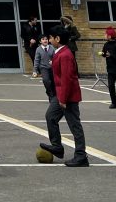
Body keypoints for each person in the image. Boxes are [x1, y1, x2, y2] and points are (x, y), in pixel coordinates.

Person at [39, 24, 88, 166]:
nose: (48, 39)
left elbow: (67, 78)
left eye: (50, 37)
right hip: (59, 94)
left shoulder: (65, 54)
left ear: (57, 38)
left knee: (74, 125)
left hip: (68, 96)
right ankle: (57, 147)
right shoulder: (59, 52)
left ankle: (81, 156)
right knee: (50, 117)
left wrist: (63, 99)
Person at [99, 26, 116, 109]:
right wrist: (103, 54)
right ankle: (114, 103)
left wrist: (111, 55)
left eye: (106, 34)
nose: (104, 36)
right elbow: (105, 53)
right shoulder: (106, 44)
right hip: (110, 70)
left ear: (110, 36)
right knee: (111, 86)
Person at [33, 35, 55, 99]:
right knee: (46, 81)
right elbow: (36, 60)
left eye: (46, 39)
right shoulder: (38, 49)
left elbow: (55, 57)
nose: (45, 40)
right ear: (40, 41)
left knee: (53, 82)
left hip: (52, 67)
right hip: (43, 67)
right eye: (43, 39)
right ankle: (50, 94)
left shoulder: (52, 47)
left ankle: (53, 95)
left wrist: (53, 61)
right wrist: (35, 70)